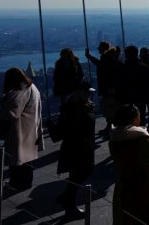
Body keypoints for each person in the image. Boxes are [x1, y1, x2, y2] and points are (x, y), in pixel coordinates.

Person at [0, 67, 44, 191]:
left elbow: (12, 112)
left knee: (17, 158)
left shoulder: (20, 91)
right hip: (31, 127)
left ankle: (16, 183)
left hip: (20, 129)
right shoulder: (32, 87)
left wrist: (0, 107)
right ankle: (26, 183)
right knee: (27, 158)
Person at [56, 82, 95, 218]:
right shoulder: (70, 108)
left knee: (81, 174)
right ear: (79, 93)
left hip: (84, 146)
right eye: (86, 92)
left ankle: (67, 199)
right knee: (78, 175)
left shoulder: (85, 105)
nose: (89, 95)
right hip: (76, 147)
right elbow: (62, 130)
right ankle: (70, 206)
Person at [86, 41, 120, 136]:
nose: (98, 49)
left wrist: (89, 56)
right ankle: (111, 127)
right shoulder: (111, 58)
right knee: (111, 107)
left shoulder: (106, 58)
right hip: (110, 87)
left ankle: (110, 127)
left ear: (103, 48)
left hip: (107, 87)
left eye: (99, 47)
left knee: (108, 107)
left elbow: (104, 70)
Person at [121, 46, 149, 127]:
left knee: (140, 116)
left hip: (135, 96)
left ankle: (142, 132)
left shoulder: (125, 68)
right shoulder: (143, 66)